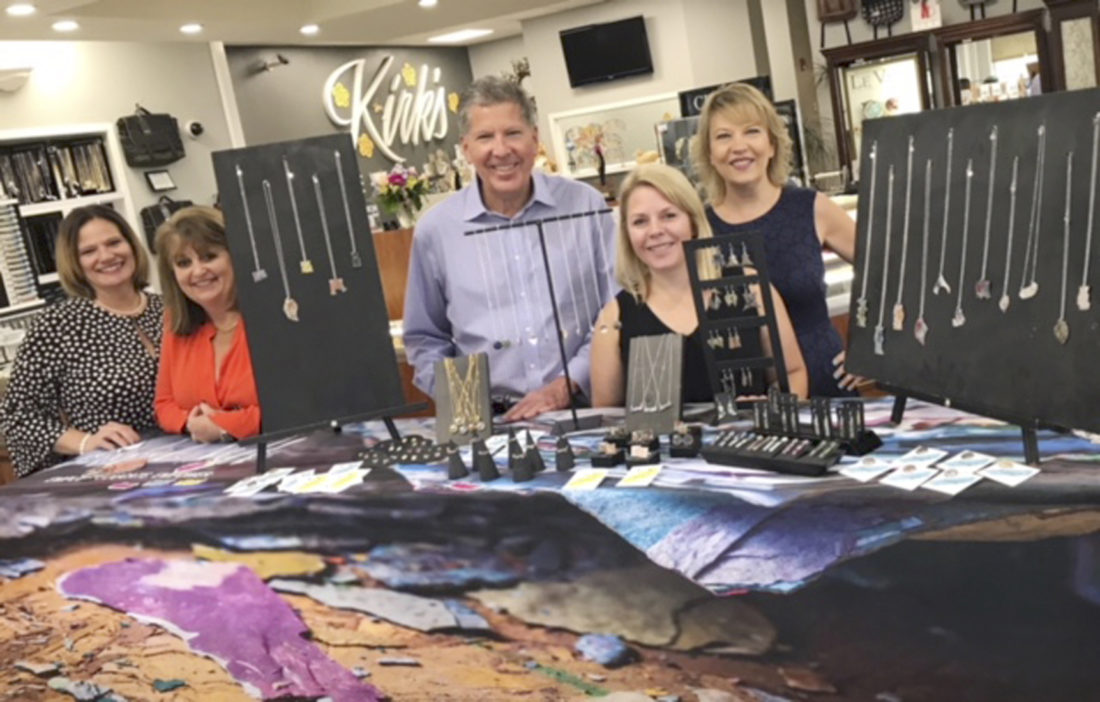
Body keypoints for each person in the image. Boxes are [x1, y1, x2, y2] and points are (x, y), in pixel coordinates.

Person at [403, 76, 616, 420]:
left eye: (513, 133)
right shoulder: (436, 231)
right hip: (489, 423)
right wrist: (466, 403)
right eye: (485, 137)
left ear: (535, 138)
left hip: (583, 411)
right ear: (466, 148)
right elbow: (425, 338)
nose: (501, 150)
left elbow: (617, 310)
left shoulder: (585, 206)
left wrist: (567, 384)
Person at [692, 82, 862, 397]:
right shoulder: (699, 229)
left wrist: (867, 346)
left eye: (752, 131)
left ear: (772, 144)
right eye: (724, 136)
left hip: (828, 383)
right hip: (749, 399)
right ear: (709, 154)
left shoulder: (811, 207)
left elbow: (887, 272)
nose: (739, 146)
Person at [590, 163, 807, 407]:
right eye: (640, 221)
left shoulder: (751, 288)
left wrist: (773, 408)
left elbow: (792, 373)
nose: (655, 231)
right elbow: (606, 415)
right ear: (627, 234)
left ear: (693, 222)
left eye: (669, 216)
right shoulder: (613, 319)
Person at [0, 205, 163, 477]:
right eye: (88, 251)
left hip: (198, 457)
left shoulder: (171, 309)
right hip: (115, 471)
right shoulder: (57, 326)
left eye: (114, 243)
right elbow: (18, 415)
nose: (106, 256)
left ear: (131, 245)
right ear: (74, 262)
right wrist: (85, 442)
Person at [154, 206, 260, 442]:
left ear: (235, 256)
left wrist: (225, 425)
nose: (198, 271)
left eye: (209, 257)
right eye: (184, 263)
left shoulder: (273, 315)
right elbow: (164, 404)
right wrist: (193, 423)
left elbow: (301, 404)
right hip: (210, 456)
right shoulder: (174, 322)